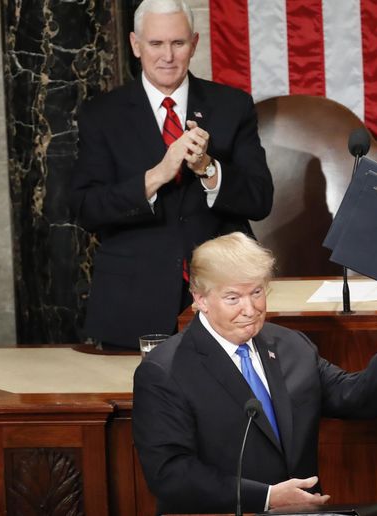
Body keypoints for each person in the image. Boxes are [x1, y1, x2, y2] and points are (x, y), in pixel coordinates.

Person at [132, 232, 377, 514]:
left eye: (257, 292)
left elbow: (359, 399)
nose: (250, 309)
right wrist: (266, 497)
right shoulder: (164, 370)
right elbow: (170, 475)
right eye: (233, 298)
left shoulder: (290, 345)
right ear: (200, 299)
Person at [70, 0, 273, 349]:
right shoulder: (101, 115)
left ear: (193, 44)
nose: (168, 56)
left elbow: (260, 199)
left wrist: (208, 169)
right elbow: (86, 208)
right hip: (133, 301)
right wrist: (157, 175)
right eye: (156, 44)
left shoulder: (232, 106)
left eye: (178, 43)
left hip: (224, 300)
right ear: (136, 45)